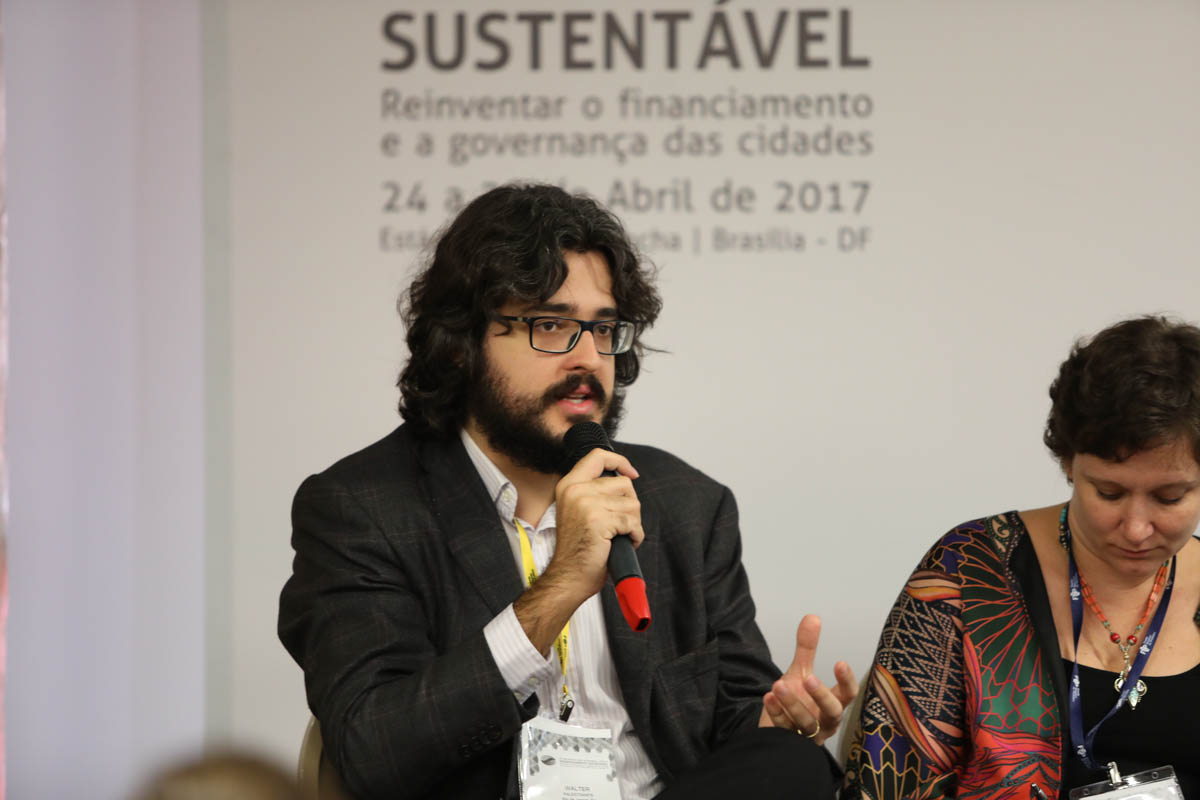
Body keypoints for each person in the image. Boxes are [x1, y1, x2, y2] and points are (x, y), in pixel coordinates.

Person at [278, 183, 858, 800]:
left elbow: (730, 722)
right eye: (551, 325)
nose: (588, 357)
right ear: (461, 344)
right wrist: (561, 584)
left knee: (792, 765)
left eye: (603, 328)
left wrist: (772, 724)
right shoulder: (361, 509)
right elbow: (372, 752)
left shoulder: (686, 503)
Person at [842, 316, 1200, 799]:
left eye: (1169, 498)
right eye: (1109, 493)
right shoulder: (967, 572)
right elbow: (888, 782)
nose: (1136, 528)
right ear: (1068, 462)